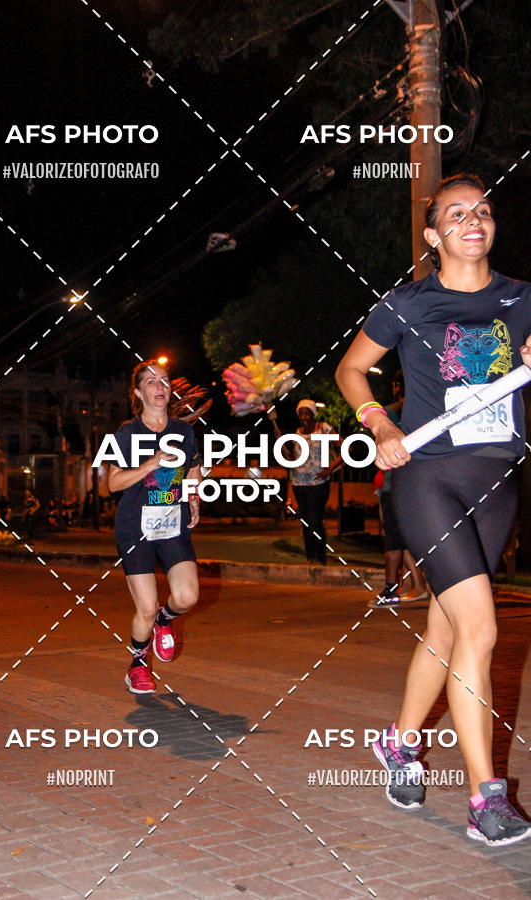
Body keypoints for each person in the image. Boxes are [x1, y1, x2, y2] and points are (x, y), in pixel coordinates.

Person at [335, 173, 531, 845]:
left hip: (497, 481)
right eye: (456, 213)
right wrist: (379, 424)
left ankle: (398, 743)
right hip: (428, 478)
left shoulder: (522, 298)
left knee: (447, 633)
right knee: (481, 629)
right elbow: (350, 370)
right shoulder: (407, 303)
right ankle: (486, 801)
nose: (473, 220)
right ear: (432, 233)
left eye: (483, 210)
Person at [109, 360, 202, 695]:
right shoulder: (127, 433)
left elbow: (194, 468)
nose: (159, 387)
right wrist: (151, 462)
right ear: (138, 392)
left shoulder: (184, 432)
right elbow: (114, 483)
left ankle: (166, 620)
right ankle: (137, 666)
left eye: (164, 381)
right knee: (145, 607)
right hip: (135, 527)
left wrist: (194, 497)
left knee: (188, 596)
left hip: (172, 523)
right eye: (150, 382)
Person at [372, 370, 430, 607]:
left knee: (394, 541)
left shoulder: (389, 414)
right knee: (406, 539)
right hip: (422, 483)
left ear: (397, 386)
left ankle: (392, 589)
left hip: (395, 484)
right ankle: (416, 585)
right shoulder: (427, 410)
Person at [274, 399, 342, 565]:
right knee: (305, 522)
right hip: (299, 483)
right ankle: (310, 557)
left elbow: (347, 448)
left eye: (307, 413)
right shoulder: (298, 433)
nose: (304, 417)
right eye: (301, 413)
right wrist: (281, 443)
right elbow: (293, 459)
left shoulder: (324, 429)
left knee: (315, 520)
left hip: (318, 483)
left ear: (313, 414)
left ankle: (320, 558)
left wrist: (330, 469)